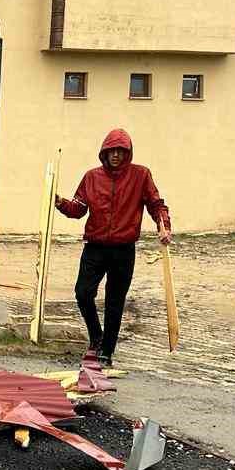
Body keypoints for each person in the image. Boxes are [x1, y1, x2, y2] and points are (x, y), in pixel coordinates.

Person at [54, 128, 172, 367]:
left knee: (115, 301)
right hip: (95, 248)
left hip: (123, 249)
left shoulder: (141, 175)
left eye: (121, 151)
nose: (116, 155)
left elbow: (156, 204)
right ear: (104, 152)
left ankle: (106, 352)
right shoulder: (92, 177)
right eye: (112, 150)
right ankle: (96, 337)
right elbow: (78, 209)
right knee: (83, 293)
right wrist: (59, 203)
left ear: (127, 153)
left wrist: (163, 225)